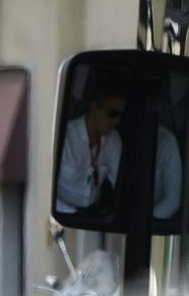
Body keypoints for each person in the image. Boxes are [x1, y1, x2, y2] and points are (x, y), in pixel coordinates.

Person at [53, 80, 182, 226]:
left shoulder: (113, 140)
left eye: (120, 114)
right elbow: (47, 189)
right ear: (93, 107)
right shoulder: (66, 137)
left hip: (96, 213)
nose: (117, 121)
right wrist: (71, 214)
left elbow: (121, 185)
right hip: (63, 215)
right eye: (112, 114)